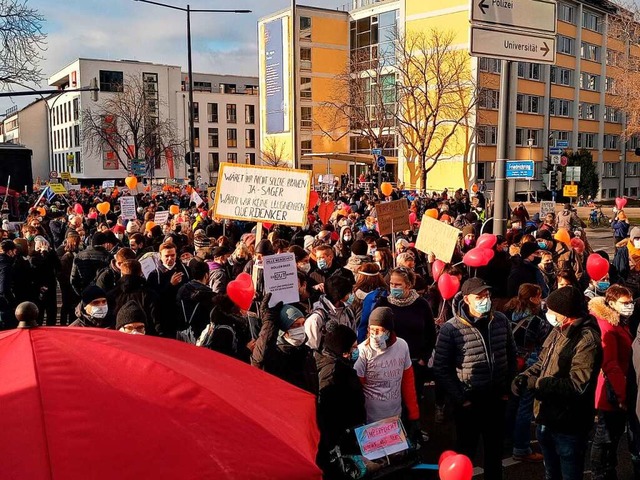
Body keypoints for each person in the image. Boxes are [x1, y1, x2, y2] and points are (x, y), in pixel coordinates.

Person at [513, 286, 602, 480]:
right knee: (551, 473)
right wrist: (523, 377)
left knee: (569, 474)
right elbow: (542, 361)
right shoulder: (557, 330)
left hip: (569, 423)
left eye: (552, 311)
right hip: (547, 416)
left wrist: (537, 384)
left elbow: (577, 385)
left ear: (565, 313)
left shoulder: (586, 340)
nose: (548, 314)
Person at [434, 277, 517, 480]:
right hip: (468, 401)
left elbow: (511, 355)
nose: (484, 300)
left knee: (495, 452)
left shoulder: (500, 321)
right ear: (467, 300)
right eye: (479, 296)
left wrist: (507, 389)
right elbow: (441, 368)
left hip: (496, 398)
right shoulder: (451, 329)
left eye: (487, 295)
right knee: (466, 451)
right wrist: (461, 398)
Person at [354, 307, 421, 442]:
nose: (374, 335)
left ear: (388, 331)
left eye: (378, 331)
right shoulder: (363, 351)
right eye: (371, 330)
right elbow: (357, 388)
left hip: (395, 417)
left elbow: (408, 382)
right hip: (370, 420)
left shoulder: (402, 346)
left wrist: (414, 415)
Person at [588, 285, 634, 480]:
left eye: (631, 302)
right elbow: (611, 363)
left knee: (612, 436)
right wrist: (622, 394)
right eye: (625, 303)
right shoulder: (608, 325)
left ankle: (607, 470)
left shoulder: (620, 322)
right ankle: (600, 473)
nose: (629, 306)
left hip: (618, 385)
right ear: (612, 303)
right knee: (604, 436)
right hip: (612, 389)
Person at [310, 324, 366, 471]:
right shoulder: (333, 372)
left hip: (345, 434)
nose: (356, 351)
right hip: (340, 438)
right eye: (353, 348)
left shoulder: (333, 363)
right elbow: (327, 411)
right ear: (343, 350)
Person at [504, 283, 548, 462]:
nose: (541, 299)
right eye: (538, 296)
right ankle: (521, 447)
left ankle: (508, 438)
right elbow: (544, 345)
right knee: (525, 407)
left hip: (510, 364)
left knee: (511, 404)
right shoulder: (537, 322)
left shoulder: (507, 313)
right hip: (529, 366)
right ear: (532, 299)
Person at [377, 267, 436, 399]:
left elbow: (431, 333)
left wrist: (423, 359)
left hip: (415, 363)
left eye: (398, 284)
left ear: (408, 285)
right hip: (390, 364)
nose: (393, 287)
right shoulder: (383, 303)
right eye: (391, 284)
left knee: (413, 401)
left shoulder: (421, 304)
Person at [251, 296, 310, 389]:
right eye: (296, 325)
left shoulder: (306, 352)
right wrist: (269, 322)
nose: (301, 328)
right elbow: (260, 358)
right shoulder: (274, 355)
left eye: (303, 324)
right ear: (283, 330)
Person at [147, 241, 190, 338]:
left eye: (172, 255)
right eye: (167, 256)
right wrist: (170, 285)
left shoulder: (185, 270)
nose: (170, 258)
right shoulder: (154, 275)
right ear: (160, 256)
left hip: (183, 318)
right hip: (165, 320)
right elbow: (154, 299)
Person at [304, 274, 356, 350]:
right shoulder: (316, 318)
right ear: (340, 296)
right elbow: (312, 348)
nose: (351, 295)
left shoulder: (348, 312)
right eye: (349, 293)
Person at [176, 259, 215, 343]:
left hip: (181, 333)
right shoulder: (209, 294)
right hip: (200, 336)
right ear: (206, 275)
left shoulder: (182, 289)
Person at [70, 231, 113, 296]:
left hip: (85, 291)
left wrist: (81, 293)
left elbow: (73, 279)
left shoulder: (79, 255)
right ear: (105, 243)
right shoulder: (108, 256)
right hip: (102, 294)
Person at [0, 239, 17, 329]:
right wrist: (13, 303)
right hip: (3, 305)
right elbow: (4, 288)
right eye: (14, 251)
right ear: (10, 251)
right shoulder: (6, 266)